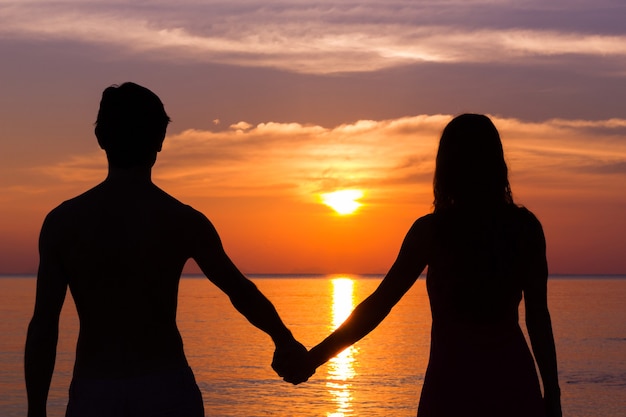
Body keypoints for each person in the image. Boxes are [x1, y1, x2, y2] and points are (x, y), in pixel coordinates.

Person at [24, 82, 307, 417]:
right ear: (160, 140)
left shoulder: (63, 223)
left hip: (95, 389)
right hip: (166, 386)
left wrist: (36, 411)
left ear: (101, 139)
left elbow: (44, 324)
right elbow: (239, 291)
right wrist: (283, 338)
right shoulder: (182, 220)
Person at [277, 114, 562, 417]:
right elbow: (538, 319)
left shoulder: (433, 232)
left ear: (447, 168)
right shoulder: (523, 228)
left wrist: (313, 359)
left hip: (452, 387)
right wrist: (553, 396)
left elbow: (378, 306)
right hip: (512, 385)